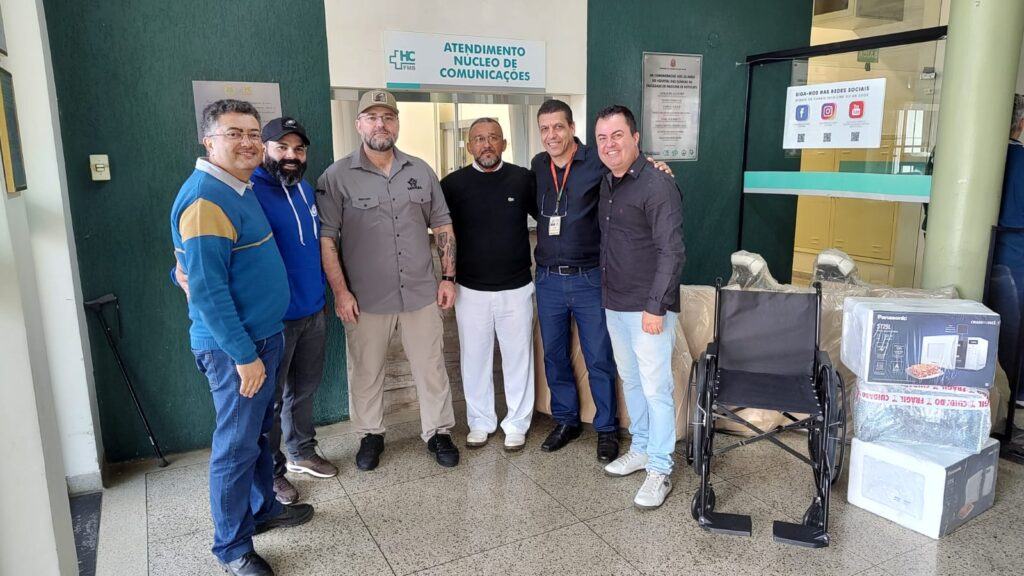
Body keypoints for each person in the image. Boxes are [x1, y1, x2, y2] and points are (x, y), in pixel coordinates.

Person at [170, 99, 312, 576]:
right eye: (234, 133)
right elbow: (208, 290)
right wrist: (243, 355)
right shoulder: (206, 199)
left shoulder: (238, 186)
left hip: (263, 337)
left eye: (253, 133)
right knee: (235, 446)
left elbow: (195, 266)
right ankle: (232, 548)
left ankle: (262, 508)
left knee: (257, 435)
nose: (248, 142)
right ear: (208, 141)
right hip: (237, 348)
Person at [177, 117, 339, 506]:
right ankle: (274, 472)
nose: (291, 155)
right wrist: (179, 272)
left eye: (298, 149)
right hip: (273, 321)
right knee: (270, 403)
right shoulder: (248, 191)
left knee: (304, 390)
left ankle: (302, 451)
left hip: (312, 310)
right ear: (265, 149)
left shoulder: (304, 189)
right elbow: (195, 257)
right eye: (281, 147)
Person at [317, 89, 459, 470]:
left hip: (421, 292)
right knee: (366, 370)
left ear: (397, 123)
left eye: (388, 117)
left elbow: (442, 225)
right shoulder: (336, 177)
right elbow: (327, 240)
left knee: (431, 367)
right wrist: (341, 292)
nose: (381, 124)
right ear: (358, 124)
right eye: (372, 117)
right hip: (365, 298)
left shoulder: (420, 171)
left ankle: (438, 432)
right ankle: (370, 435)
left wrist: (448, 276)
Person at [593, 105, 684, 510]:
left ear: (635, 138)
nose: (609, 144)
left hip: (648, 308)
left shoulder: (657, 184)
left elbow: (672, 251)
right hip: (615, 302)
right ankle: (643, 448)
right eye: (602, 138)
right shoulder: (607, 183)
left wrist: (656, 307)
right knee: (631, 381)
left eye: (617, 135)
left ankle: (660, 468)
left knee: (656, 389)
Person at [531, 99, 620, 462]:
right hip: (548, 280)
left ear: (571, 127)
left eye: (558, 127)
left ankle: (607, 429)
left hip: (588, 279)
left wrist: (658, 167)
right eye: (544, 129)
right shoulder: (538, 166)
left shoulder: (596, 160)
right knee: (554, 355)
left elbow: (630, 166)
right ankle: (566, 420)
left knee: (599, 356)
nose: (551, 135)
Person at [440, 118, 537, 451]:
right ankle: (480, 422)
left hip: (517, 288)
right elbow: (442, 230)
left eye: (493, 138)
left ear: (504, 144)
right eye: (479, 139)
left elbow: (550, 214)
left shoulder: (523, 179)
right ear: (469, 146)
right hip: (470, 290)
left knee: (518, 359)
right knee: (474, 359)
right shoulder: (452, 185)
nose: (487, 144)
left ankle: (517, 424)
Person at [993, 93, 1024, 403]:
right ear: (1021, 123)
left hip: (983, 257)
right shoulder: (1021, 161)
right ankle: (1018, 392)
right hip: (1017, 260)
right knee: (1015, 330)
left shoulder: (977, 156)